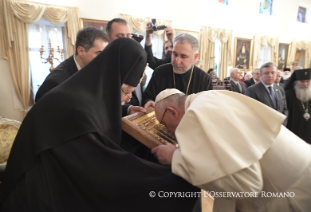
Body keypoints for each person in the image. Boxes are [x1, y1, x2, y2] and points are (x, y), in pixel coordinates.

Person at [0, 38, 199, 211]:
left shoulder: (84, 91)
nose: (126, 98)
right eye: (125, 92)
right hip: (37, 192)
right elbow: (103, 171)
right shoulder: (72, 105)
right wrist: (170, 177)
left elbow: (99, 112)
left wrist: (127, 109)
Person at [151, 88, 311, 212]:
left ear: (172, 111)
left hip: (292, 192)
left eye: (165, 125)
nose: (169, 131)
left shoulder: (197, 112)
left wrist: (176, 158)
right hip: (302, 169)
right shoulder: (206, 99)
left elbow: (246, 185)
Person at [35, 27, 108, 102]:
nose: (104, 59)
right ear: (81, 51)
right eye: (100, 54)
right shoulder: (56, 82)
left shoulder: (96, 72)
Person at [142, 33, 212, 108]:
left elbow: (206, 108)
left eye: (183, 56)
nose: (177, 61)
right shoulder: (159, 72)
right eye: (174, 54)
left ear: (195, 57)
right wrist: (149, 102)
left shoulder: (204, 79)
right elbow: (147, 97)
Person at [285, 68, 311, 148]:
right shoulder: (288, 95)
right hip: (293, 131)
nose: (305, 84)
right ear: (296, 82)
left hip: (309, 130)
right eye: (302, 81)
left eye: (307, 81)